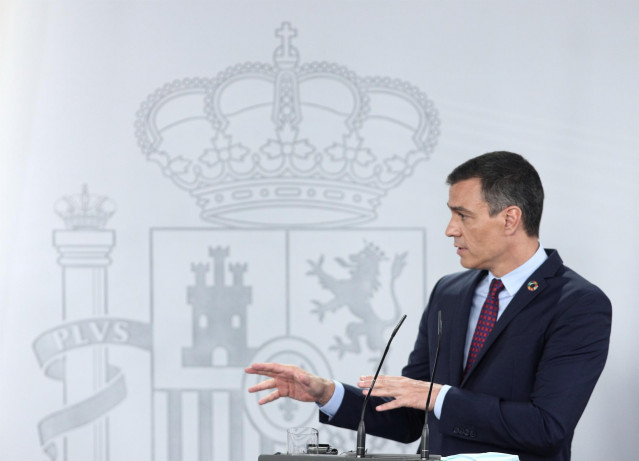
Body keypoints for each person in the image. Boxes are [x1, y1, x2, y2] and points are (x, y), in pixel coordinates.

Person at [245, 151, 611, 461]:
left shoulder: (578, 304)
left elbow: (547, 427)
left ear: (510, 218)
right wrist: (326, 392)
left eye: (463, 215)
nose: (450, 229)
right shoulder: (449, 293)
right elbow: (409, 417)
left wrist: (440, 397)